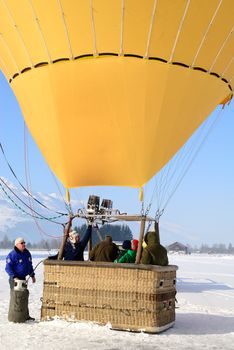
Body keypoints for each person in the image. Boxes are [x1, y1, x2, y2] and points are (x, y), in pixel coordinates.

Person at [5, 237, 36, 322]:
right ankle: (14, 316)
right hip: (14, 279)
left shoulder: (27, 253)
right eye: (22, 243)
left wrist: (32, 275)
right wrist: (14, 277)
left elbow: (29, 266)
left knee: (24, 297)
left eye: (24, 243)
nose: (24, 244)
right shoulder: (12, 254)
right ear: (17, 244)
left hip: (23, 279)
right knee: (16, 297)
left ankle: (25, 315)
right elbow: (8, 268)